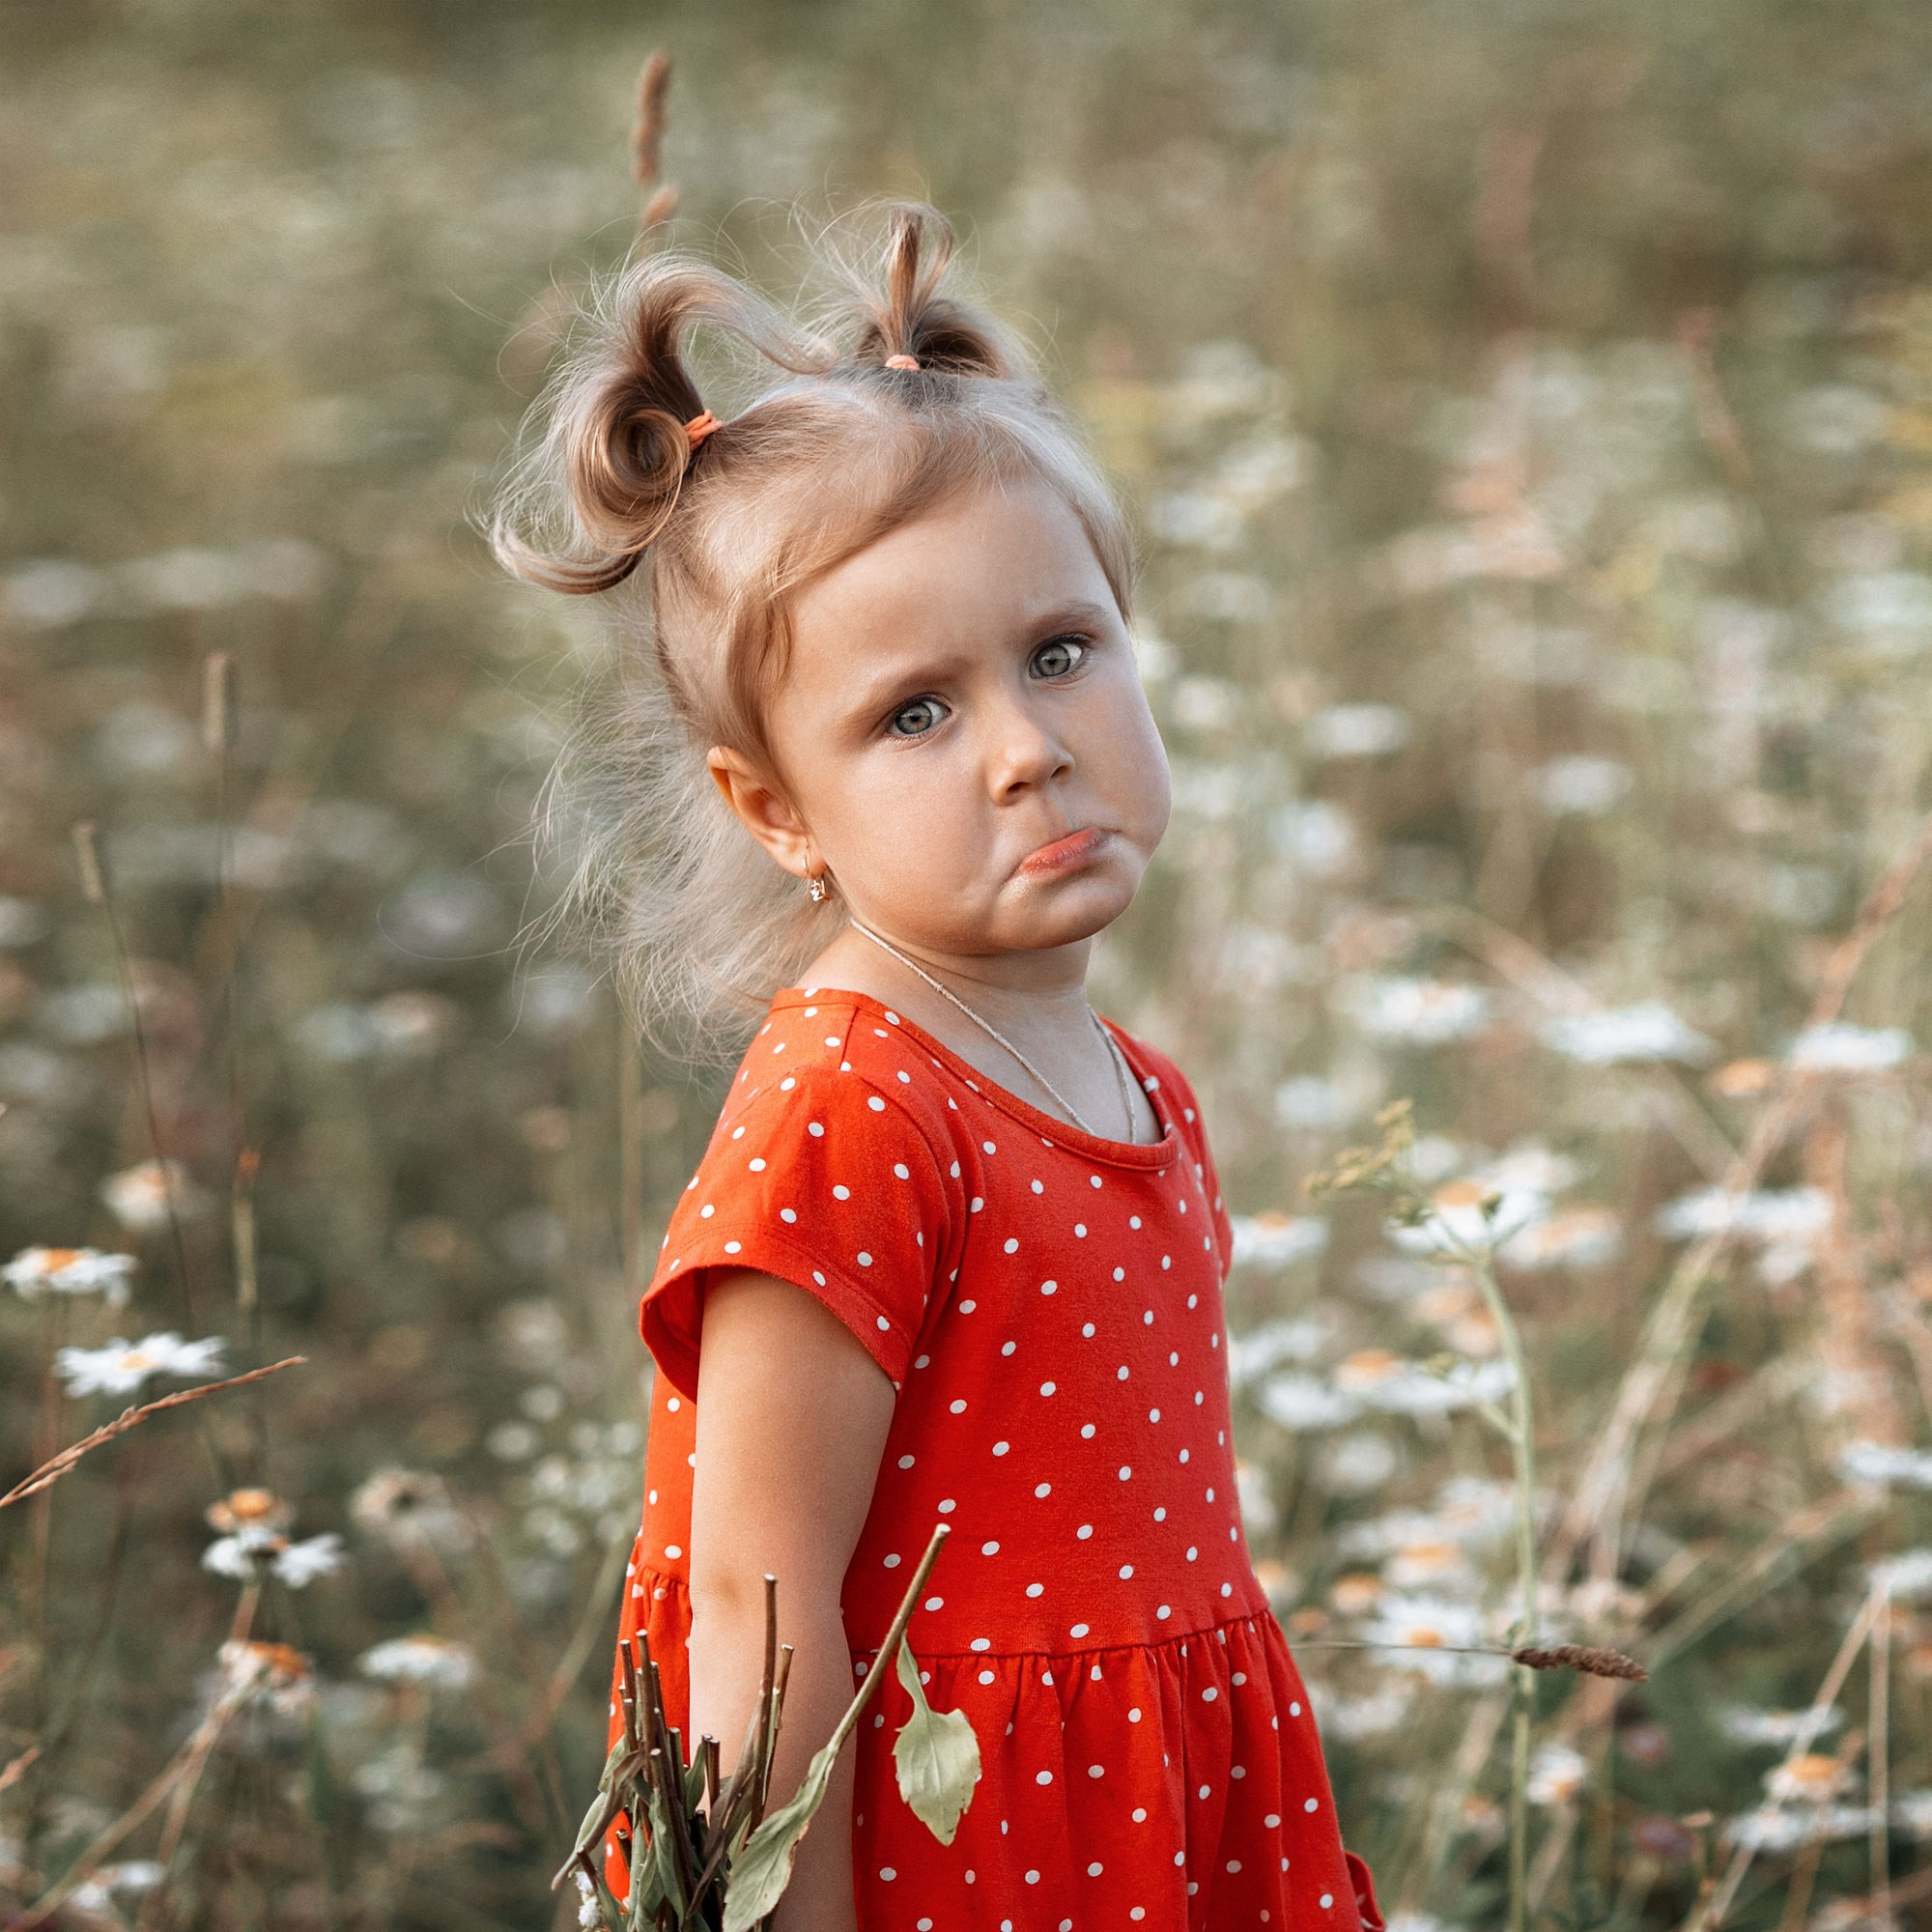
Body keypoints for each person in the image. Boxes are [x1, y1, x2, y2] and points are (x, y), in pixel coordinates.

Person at [492, 199, 1383, 1932]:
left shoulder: (1134, 1083)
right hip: (950, 1841)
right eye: (916, 713)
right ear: (775, 813)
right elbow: (757, 1610)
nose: (1030, 752)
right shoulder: (857, 1104)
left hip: (1151, 1808)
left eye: (1063, 653)